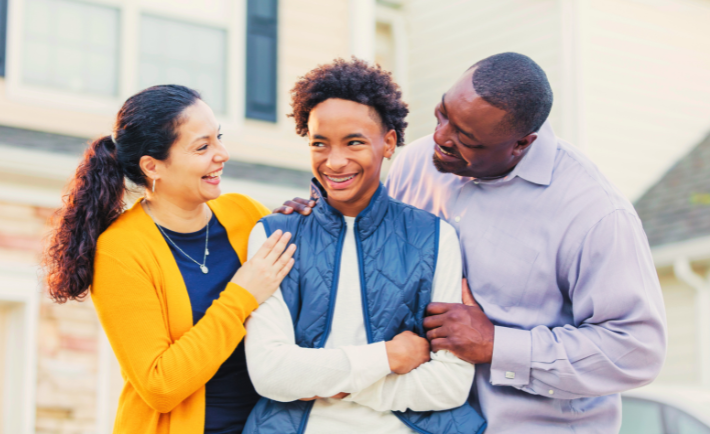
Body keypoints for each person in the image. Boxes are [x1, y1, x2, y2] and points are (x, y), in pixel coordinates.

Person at [277, 53, 667, 433]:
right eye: (443, 114)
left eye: (466, 138)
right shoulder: (415, 164)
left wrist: (498, 344)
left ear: (521, 144)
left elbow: (636, 349)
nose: (441, 138)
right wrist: (320, 220)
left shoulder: (593, 213)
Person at [242, 59, 486, 434]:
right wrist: (388, 357)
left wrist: (327, 384)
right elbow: (271, 375)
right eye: (319, 144)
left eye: (354, 142)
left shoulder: (435, 237)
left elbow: (450, 386)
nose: (335, 162)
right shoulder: (275, 235)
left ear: (388, 143)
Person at [42, 85, 297, 434]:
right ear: (153, 166)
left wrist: (304, 228)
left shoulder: (244, 212)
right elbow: (160, 385)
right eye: (202, 146)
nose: (222, 154)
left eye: (218, 138)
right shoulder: (121, 250)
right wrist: (241, 296)